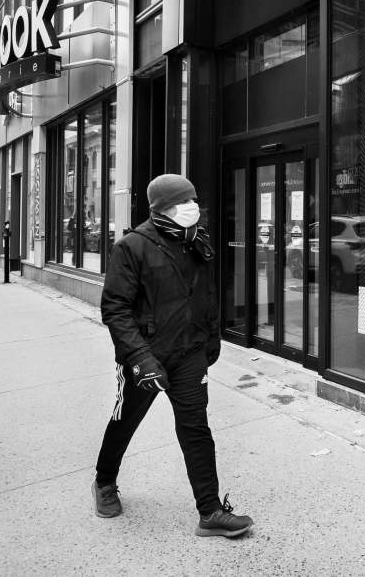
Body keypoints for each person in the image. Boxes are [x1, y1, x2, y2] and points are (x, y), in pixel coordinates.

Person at [93, 174, 251, 538]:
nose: (192, 207)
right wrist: (139, 359)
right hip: (146, 357)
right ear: (161, 208)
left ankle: (210, 511)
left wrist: (210, 340)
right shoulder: (131, 247)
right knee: (125, 420)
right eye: (183, 202)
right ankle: (104, 481)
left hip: (189, 354)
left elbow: (206, 296)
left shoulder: (197, 242)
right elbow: (115, 309)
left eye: (194, 200)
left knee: (196, 428)